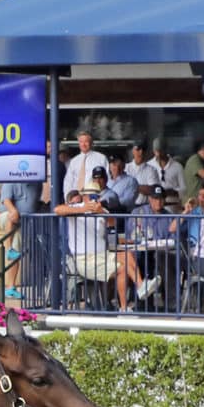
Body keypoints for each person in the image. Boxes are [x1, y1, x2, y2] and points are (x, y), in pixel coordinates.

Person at [55, 184, 159, 312]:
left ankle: (141, 287)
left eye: (96, 196)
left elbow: (112, 224)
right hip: (85, 259)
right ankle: (125, 306)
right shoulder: (76, 207)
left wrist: (101, 212)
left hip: (103, 255)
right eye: (91, 196)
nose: (94, 199)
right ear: (84, 196)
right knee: (122, 269)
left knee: (126, 254)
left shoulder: (101, 210)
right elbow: (58, 210)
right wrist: (84, 209)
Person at [63, 132, 108, 201]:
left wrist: (100, 199)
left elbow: (107, 179)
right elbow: (68, 182)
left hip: (94, 199)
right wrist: (69, 198)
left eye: (86, 141)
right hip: (75, 199)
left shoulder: (101, 158)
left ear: (92, 143)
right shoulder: (74, 161)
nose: (83, 144)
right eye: (81, 142)